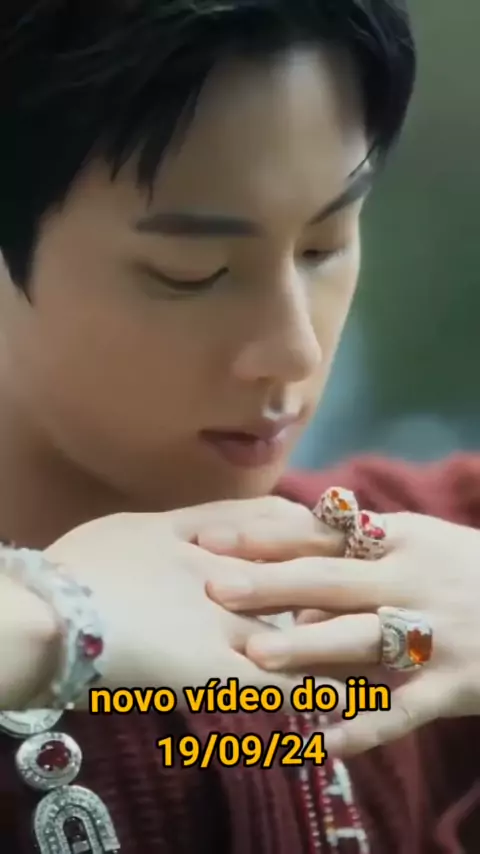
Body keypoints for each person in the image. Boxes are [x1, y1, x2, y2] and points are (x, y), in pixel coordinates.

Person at [0, 1, 479, 852]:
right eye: (193, 271)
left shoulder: (424, 570)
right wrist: (58, 621)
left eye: (325, 245)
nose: (295, 350)